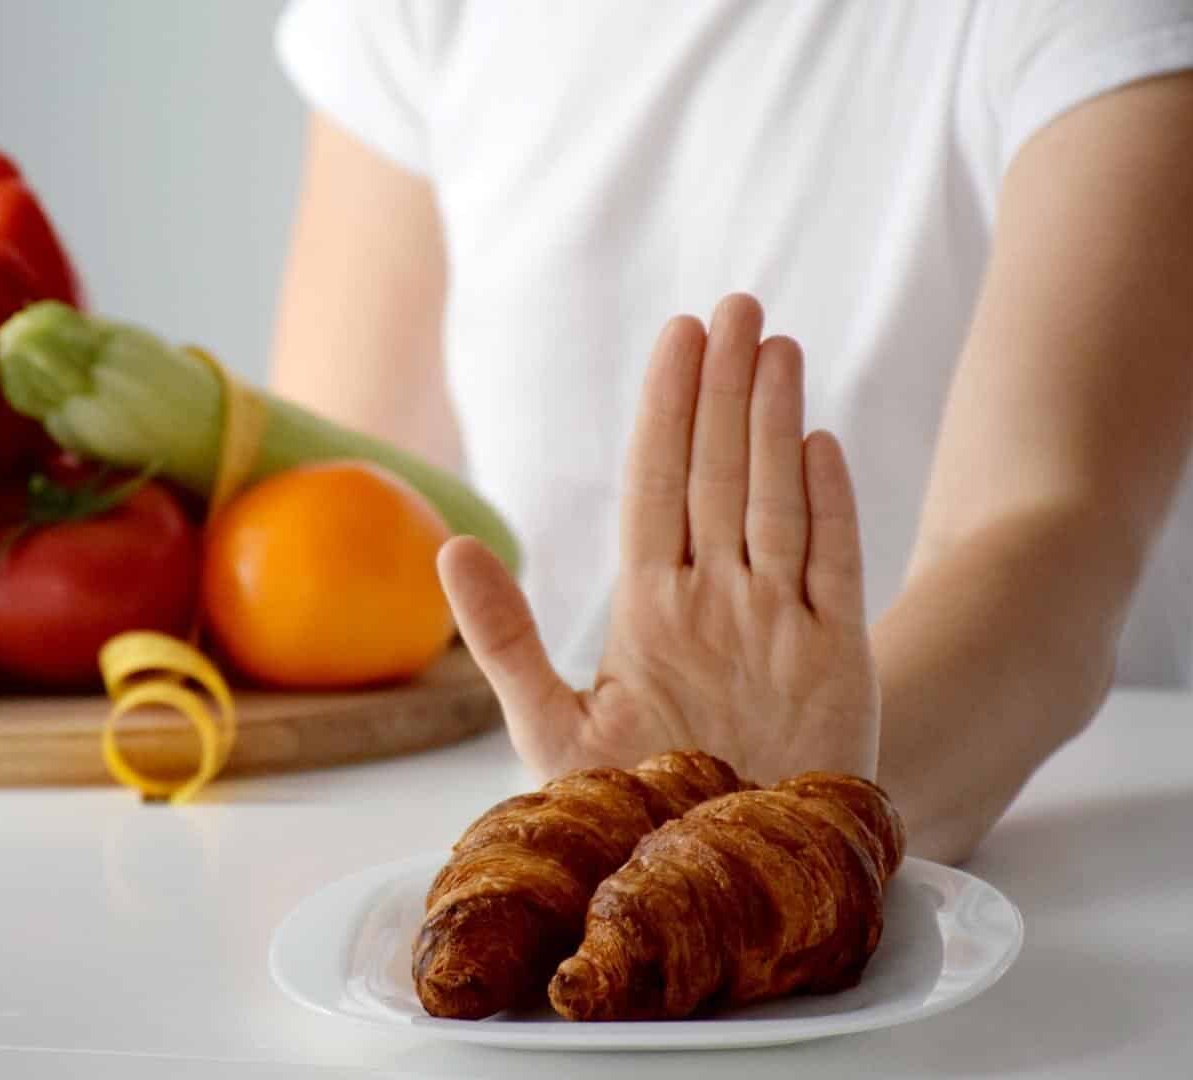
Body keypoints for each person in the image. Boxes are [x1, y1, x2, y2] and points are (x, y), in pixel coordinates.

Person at [265, 1, 1193, 864]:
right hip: (559, 882)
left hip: (1022, 928)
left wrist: (788, 808)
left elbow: (1049, 533)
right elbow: (332, 541)